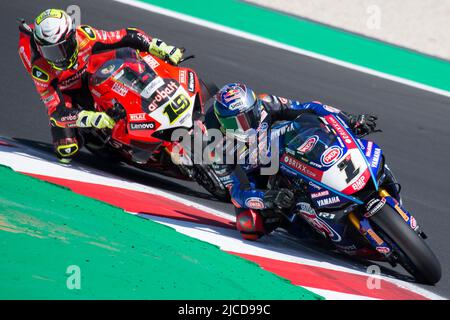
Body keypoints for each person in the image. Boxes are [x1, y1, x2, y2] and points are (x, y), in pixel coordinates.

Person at [205, 83, 378, 240]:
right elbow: (237, 193)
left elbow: (311, 107)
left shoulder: (266, 102)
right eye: (231, 123)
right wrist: (267, 198)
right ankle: (299, 223)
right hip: (257, 178)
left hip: (279, 148)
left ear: (255, 109)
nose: (239, 127)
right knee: (250, 226)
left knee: (311, 129)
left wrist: (350, 119)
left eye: (243, 119)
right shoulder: (218, 146)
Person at [18, 8, 183, 163]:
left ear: (71, 39)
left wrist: (158, 46)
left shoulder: (85, 37)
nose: (57, 58)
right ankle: (101, 135)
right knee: (66, 150)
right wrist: (88, 117)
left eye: (61, 49)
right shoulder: (41, 70)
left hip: (90, 72)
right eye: (50, 52)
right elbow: (56, 111)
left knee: (134, 60)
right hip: (66, 91)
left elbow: (126, 36)